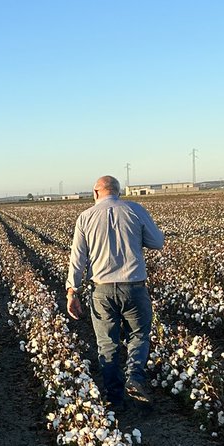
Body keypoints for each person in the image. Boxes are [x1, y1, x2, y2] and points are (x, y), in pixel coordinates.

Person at [66, 175, 164, 409]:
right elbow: (157, 242)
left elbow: (77, 258)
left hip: (102, 290)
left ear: (96, 192)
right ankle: (135, 378)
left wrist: (73, 291)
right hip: (134, 287)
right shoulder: (135, 210)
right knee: (138, 336)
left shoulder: (86, 217)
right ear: (118, 192)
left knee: (107, 344)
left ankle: (114, 398)